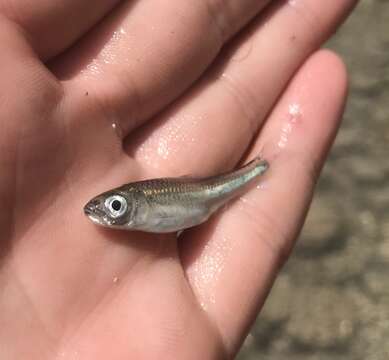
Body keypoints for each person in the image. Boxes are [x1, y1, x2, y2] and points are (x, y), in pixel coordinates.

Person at [0, 0, 357, 358]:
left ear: (140, 203)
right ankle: (262, 168)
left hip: (209, 192)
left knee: (258, 168)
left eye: (116, 206)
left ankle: (262, 168)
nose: (109, 213)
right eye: (114, 206)